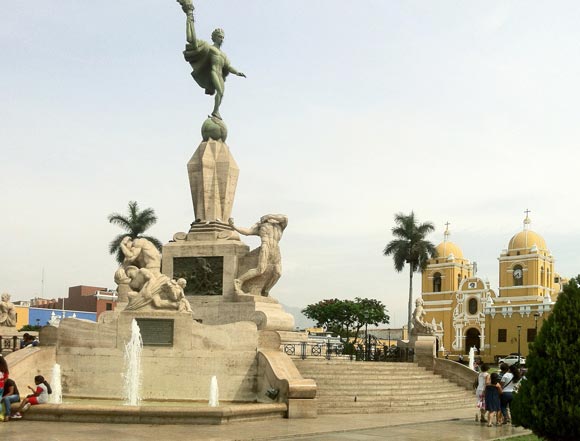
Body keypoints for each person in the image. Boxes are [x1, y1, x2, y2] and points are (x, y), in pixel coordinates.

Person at [178, 0, 246, 120]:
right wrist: (190, 17)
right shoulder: (209, 47)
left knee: (221, 93)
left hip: (220, 75)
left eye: (222, 37)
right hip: (213, 72)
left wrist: (237, 72)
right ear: (214, 37)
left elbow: (228, 67)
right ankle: (215, 112)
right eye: (219, 36)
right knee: (219, 91)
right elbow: (192, 41)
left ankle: (216, 111)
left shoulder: (223, 55)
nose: (221, 39)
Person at [229, 215, 288, 296]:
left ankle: (266, 290)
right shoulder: (260, 225)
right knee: (260, 270)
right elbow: (248, 232)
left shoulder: (280, 225)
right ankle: (239, 281)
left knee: (278, 273)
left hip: (276, 249)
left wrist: (268, 216)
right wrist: (234, 226)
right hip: (266, 246)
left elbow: (285, 217)